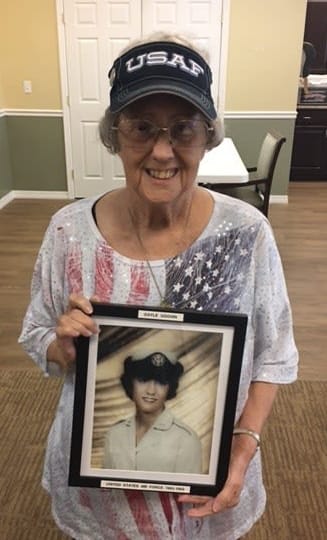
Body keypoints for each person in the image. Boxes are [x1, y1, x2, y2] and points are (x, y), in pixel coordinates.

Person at [19, 31, 298, 539]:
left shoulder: (245, 233)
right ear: (114, 134)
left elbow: (275, 354)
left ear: (208, 135)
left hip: (205, 483)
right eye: (141, 127)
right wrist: (61, 346)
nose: (163, 150)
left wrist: (243, 443)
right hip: (100, 488)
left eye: (184, 129)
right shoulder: (67, 231)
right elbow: (36, 331)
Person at [103, 350, 202, 473]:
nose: (151, 391)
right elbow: (104, 489)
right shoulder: (114, 434)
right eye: (143, 380)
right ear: (130, 383)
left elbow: (188, 492)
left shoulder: (186, 440)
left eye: (161, 382)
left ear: (170, 388)